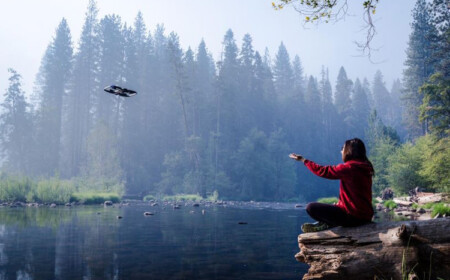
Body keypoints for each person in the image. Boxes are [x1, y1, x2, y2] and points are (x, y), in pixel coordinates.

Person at [289, 138, 374, 233]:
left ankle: (329, 223)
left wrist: (304, 160)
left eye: (343, 148)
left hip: (352, 218)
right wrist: (339, 205)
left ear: (349, 151)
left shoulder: (349, 168)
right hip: (366, 216)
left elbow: (323, 171)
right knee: (335, 207)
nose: (341, 151)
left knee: (311, 207)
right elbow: (356, 197)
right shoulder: (366, 168)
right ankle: (330, 221)